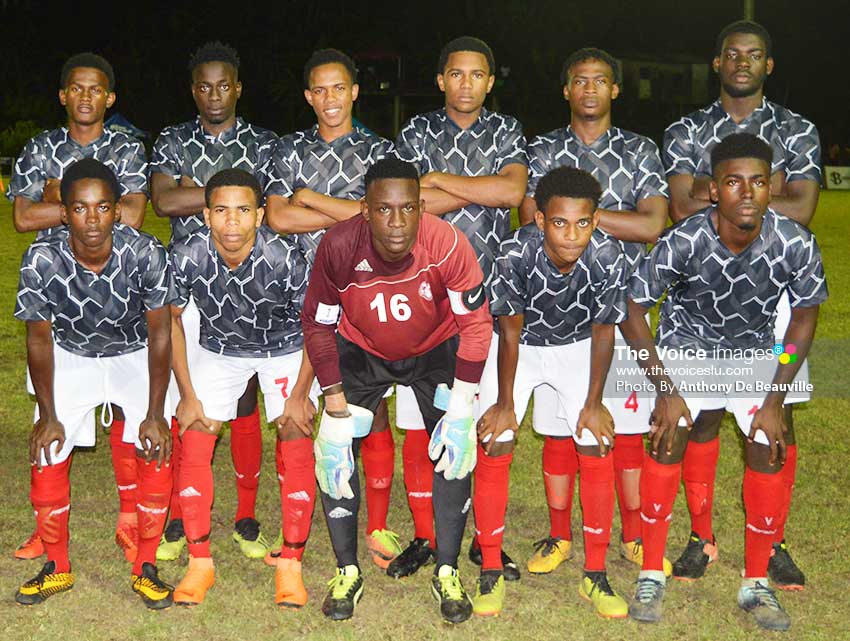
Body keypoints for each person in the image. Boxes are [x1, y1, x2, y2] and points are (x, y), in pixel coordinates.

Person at [622, 133, 827, 631]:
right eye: (734, 182)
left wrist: (775, 397)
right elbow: (632, 311)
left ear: (773, 186)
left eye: (758, 181)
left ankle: (755, 581)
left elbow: (802, 320)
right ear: (713, 190)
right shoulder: (684, 239)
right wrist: (665, 389)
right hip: (686, 349)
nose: (747, 192)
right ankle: (652, 571)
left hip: (757, 352)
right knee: (668, 437)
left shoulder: (794, 242)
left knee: (767, 444)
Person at [662, 20, 821, 588]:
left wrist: (722, 191)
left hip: (775, 289)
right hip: (701, 289)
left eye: (754, 55)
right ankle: (700, 537)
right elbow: (680, 209)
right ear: (717, 63)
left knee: (774, 417)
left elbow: (803, 210)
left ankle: (771, 539)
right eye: (732, 54)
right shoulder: (685, 129)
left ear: (768, 66)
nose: (743, 62)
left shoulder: (797, 129)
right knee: (700, 414)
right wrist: (764, 189)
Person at [301, 158, 492, 623]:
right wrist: (333, 401)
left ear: (421, 207)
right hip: (362, 350)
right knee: (333, 450)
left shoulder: (446, 242)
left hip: (433, 349)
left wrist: (464, 405)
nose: (397, 222)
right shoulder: (339, 246)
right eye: (384, 209)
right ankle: (347, 571)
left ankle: (447, 570)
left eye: (408, 209)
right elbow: (318, 323)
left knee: (456, 447)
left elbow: (478, 325)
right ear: (364, 209)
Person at [518, 47, 669, 576]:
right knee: (561, 428)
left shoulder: (639, 149)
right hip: (556, 311)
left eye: (600, 81)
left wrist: (577, 216)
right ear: (566, 90)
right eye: (579, 81)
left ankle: (631, 532)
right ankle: (559, 535)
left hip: (624, 306)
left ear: (615, 90)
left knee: (623, 429)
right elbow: (530, 217)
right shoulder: (543, 150)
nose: (589, 89)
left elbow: (652, 224)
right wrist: (593, 220)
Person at [391, 36, 527, 580]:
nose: (466, 83)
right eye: (456, 74)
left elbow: (514, 194)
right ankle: (426, 534)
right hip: (423, 297)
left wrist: (444, 183)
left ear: (490, 82)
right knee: (423, 424)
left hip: (486, 299)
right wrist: (482, 189)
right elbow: (409, 203)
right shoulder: (416, 132)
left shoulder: (507, 130)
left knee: (485, 423)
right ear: (441, 79)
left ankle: (483, 539)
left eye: (477, 75)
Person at [7, 52, 149, 563]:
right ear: (63, 94)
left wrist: (57, 196)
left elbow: (131, 214)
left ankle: (130, 515)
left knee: (125, 409)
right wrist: (86, 208)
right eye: (76, 88)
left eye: (96, 90)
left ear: (109, 98)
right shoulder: (39, 146)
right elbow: (23, 219)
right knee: (52, 409)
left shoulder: (128, 149)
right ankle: (45, 530)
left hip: (116, 290)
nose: (86, 97)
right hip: (56, 291)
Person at [14, 158, 173, 609]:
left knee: (156, 446)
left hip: (133, 353)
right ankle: (57, 567)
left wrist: (156, 412)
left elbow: (160, 332)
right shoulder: (42, 258)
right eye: (80, 208)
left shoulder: (145, 251)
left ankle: (146, 566)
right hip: (71, 355)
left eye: (103, 207)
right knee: (46, 452)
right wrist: (47, 415)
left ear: (117, 208)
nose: (92, 219)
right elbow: (39, 338)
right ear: (63, 212)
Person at [263, 48, 399, 569]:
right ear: (307, 97)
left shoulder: (379, 152)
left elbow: (380, 221)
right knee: (294, 411)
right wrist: (348, 216)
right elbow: (276, 217)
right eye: (318, 90)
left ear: (355, 91)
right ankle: (293, 525)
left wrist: (310, 199)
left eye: (338, 88)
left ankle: (379, 527)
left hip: (366, 293)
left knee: (372, 406)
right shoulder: (287, 147)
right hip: (297, 290)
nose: (329, 99)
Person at [474, 166, 630, 618]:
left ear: (596, 220)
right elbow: (508, 332)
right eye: (559, 223)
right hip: (520, 347)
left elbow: (605, 333)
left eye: (583, 223)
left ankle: (596, 574)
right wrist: (505, 405)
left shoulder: (609, 255)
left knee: (597, 441)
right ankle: (489, 567)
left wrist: (595, 402)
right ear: (540, 220)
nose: (572, 234)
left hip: (578, 346)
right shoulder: (513, 251)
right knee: (495, 439)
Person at [150, 41, 277, 561]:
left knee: (245, 400)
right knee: (193, 401)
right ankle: (182, 514)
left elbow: (263, 206)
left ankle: (246, 516)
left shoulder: (265, 143)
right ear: (193, 90)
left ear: (238, 88)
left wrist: (193, 189)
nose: (214, 95)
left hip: (251, 283)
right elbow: (162, 200)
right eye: (204, 86)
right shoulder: (173, 137)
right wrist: (225, 194)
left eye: (224, 85)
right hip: (189, 286)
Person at [168, 168, 316, 608]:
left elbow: (316, 326)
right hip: (219, 350)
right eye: (221, 210)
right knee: (196, 435)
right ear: (206, 215)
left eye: (243, 210)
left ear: (260, 214)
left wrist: (300, 394)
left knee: (294, 430)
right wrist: (188, 393)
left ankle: (291, 563)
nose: (232, 222)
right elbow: (172, 321)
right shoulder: (188, 254)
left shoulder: (286, 257)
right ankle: (199, 563)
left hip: (284, 349)